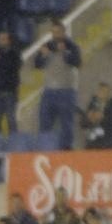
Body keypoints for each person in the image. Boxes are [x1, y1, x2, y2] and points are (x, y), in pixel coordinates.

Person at [33, 21, 81, 150]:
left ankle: (66, 150)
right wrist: (43, 56)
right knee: (44, 122)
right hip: (49, 91)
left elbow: (77, 62)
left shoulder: (72, 46)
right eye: (53, 32)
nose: (55, 35)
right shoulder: (47, 46)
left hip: (67, 91)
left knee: (67, 125)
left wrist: (65, 52)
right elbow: (37, 65)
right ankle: (45, 148)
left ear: (64, 32)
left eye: (58, 32)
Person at [81, 82, 112, 149]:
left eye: (105, 91)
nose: (102, 93)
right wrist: (89, 119)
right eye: (100, 91)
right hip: (93, 143)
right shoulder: (92, 103)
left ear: (110, 93)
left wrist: (103, 118)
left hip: (109, 143)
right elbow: (83, 124)